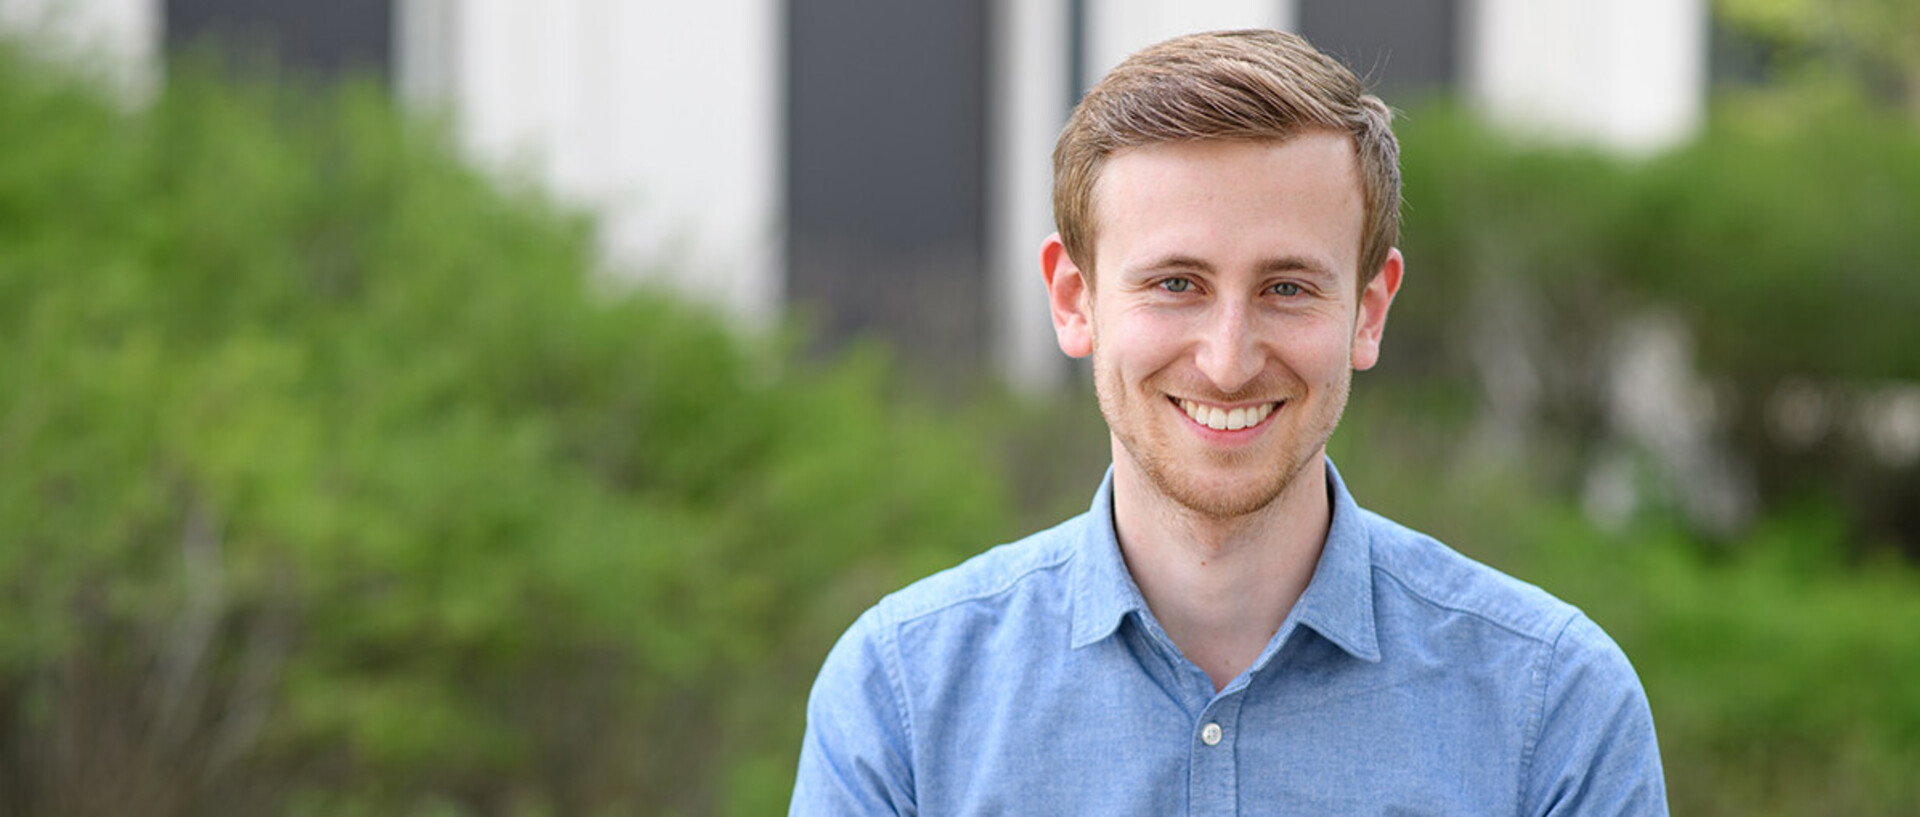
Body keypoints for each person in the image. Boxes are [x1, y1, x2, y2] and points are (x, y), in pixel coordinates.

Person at [789, 29, 1666, 815]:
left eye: (1287, 288)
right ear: (1073, 300)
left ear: (1368, 311)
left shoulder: (1552, 705)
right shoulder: (901, 695)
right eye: (1177, 284)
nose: (1227, 357)